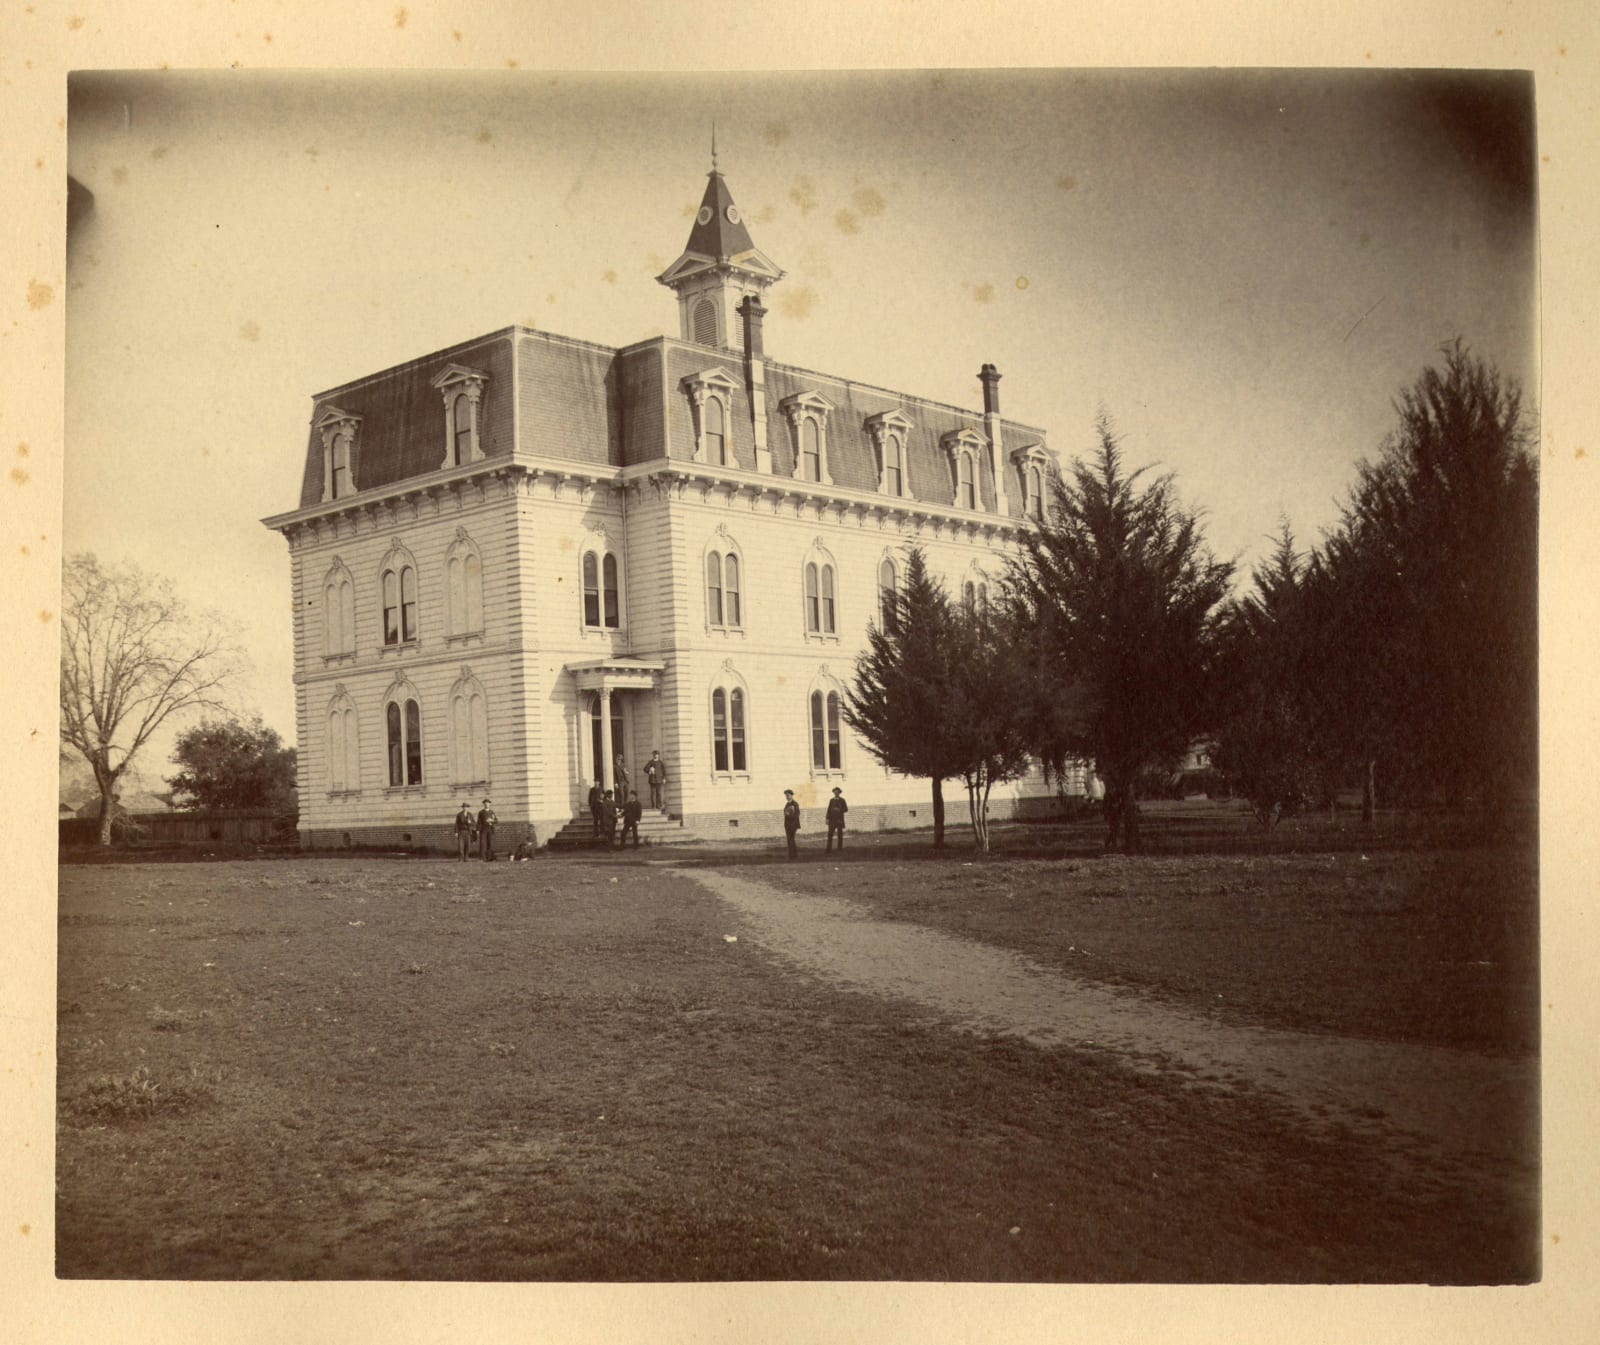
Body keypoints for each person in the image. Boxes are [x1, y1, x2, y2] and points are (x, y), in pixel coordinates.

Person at [825, 787, 848, 852]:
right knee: (830, 834)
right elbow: (828, 810)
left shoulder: (842, 800)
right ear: (834, 793)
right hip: (832, 820)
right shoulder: (831, 800)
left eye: (837, 792)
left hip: (839, 820)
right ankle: (829, 849)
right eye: (835, 792)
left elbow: (846, 809)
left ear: (839, 793)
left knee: (840, 834)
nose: (836, 793)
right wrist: (827, 818)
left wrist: (839, 810)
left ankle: (839, 849)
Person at [782, 789, 801, 861]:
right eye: (786, 796)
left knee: (791, 839)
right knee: (790, 840)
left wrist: (789, 815)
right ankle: (793, 855)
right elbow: (785, 813)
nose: (787, 797)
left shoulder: (795, 804)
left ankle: (792, 855)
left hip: (793, 825)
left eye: (788, 795)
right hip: (787, 825)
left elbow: (797, 814)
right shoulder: (787, 804)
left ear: (791, 795)